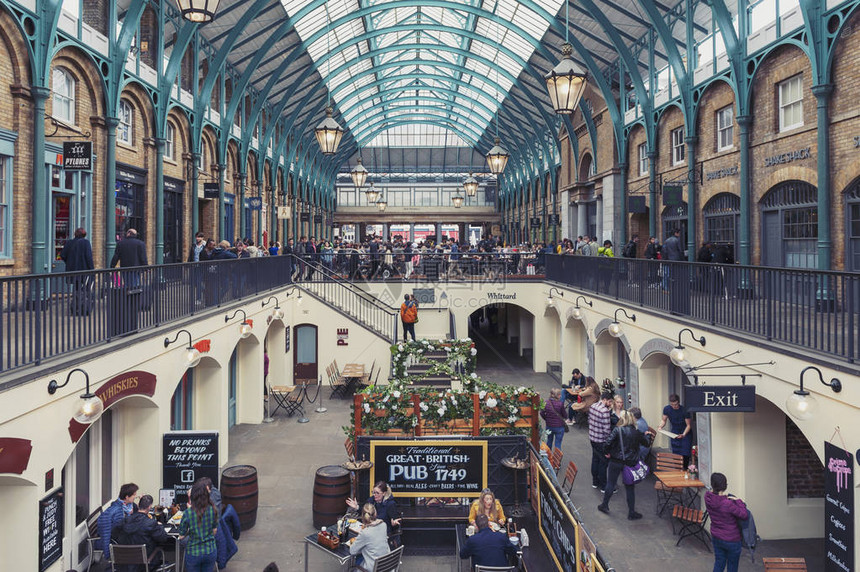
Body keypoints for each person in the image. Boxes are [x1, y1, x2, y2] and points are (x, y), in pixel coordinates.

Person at [597, 411, 653, 520]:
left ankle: (604, 505)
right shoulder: (636, 432)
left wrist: (607, 452)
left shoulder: (617, 430)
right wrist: (648, 436)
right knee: (630, 488)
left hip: (615, 461)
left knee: (611, 483)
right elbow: (646, 444)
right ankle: (631, 512)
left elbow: (607, 443)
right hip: (630, 463)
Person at [112, 494, 173, 568]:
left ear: (138, 506)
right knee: (158, 548)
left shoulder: (125, 520)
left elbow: (114, 535)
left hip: (124, 561)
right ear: (149, 507)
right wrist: (160, 526)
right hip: (144, 563)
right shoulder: (151, 523)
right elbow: (163, 538)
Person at [706, 472, 748, 572]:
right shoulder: (727, 504)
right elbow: (744, 515)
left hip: (716, 536)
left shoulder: (707, 498)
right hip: (732, 539)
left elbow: (717, 498)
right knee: (732, 567)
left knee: (719, 563)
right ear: (724, 486)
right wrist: (738, 501)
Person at [179, 481, 218, 572]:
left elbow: (181, 536)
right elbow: (214, 530)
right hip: (210, 551)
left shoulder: (188, 513)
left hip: (193, 553)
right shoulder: (213, 510)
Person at [98, 483, 139, 558]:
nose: (135, 497)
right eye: (134, 495)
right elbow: (122, 529)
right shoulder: (117, 511)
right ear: (127, 497)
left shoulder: (129, 506)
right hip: (120, 540)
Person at [60, 227, 94, 315]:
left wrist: (69, 262)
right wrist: (92, 270)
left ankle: (75, 308)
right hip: (84, 270)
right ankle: (83, 308)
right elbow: (89, 257)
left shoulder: (69, 242)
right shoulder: (86, 243)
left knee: (76, 289)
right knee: (85, 290)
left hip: (73, 270)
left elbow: (63, 255)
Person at [348, 503, 390, 571]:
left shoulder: (365, 533)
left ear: (363, 516)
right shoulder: (383, 525)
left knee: (355, 561)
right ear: (375, 513)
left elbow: (352, 551)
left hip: (373, 568)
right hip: (386, 564)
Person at [588, 391, 614, 492]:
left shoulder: (593, 406)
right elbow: (607, 430)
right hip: (601, 441)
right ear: (605, 400)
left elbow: (589, 419)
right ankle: (604, 486)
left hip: (592, 438)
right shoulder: (605, 411)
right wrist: (609, 446)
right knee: (603, 463)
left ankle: (595, 482)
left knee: (595, 459)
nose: (610, 404)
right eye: (610, 402)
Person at [658, 393, 693, 467]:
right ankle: (677, 469)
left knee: (685, 453)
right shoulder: (667, 409)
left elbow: (688, 425)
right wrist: (660, 426)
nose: (674, 406)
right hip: (675, 432)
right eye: (672, 404)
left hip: (685, 433)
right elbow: (664, 420)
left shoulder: (684, 410)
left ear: (678, 402)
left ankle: (685, 469)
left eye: (676, 404)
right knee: (676, 453)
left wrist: (683, 434)